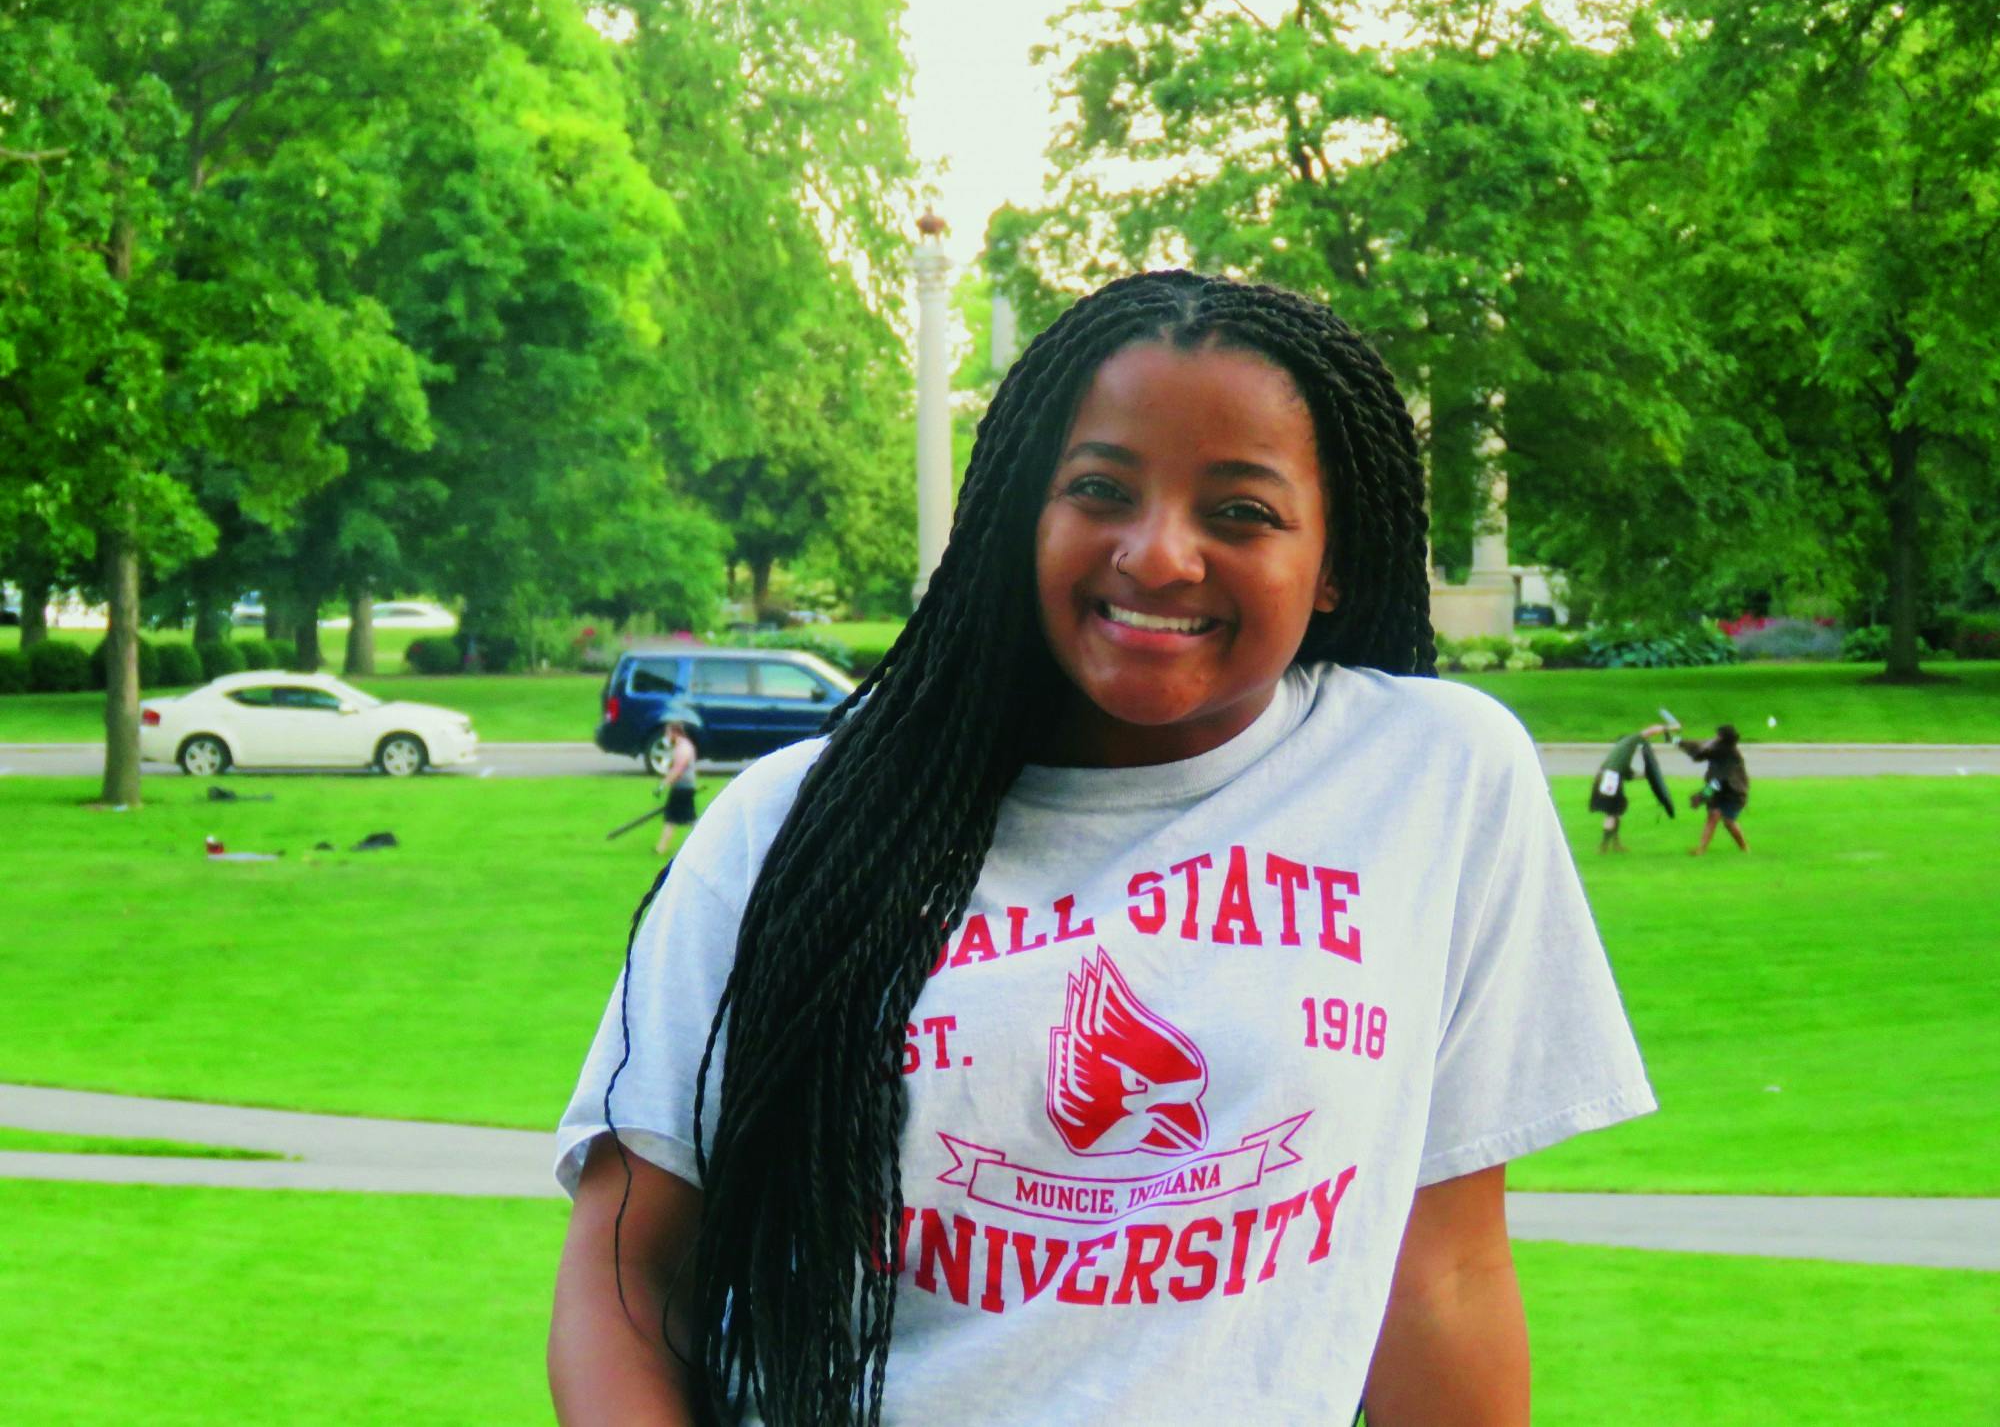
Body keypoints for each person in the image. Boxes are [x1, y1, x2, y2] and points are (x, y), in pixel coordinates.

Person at [548, 273, 1655, 1427]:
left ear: (1333, 562)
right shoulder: (791, 827)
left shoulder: (1434, 778)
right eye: (1098, 490)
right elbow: (631, 1269)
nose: (1156, 554)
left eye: (1240, 511)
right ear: (1019, 518)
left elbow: (1442, 1274)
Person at [1588, 721, 1675, 852]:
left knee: (1615, 813)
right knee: (1612, 814)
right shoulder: (1629, 741)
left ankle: (1615, 844)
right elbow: (1650, 731)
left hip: (1603, 778)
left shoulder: (1619, 756)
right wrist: (1668, 728)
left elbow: (1631, 775)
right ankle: (1604, 845)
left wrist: (1649, 774)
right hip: (1611, 780)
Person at [1679, 723, 1750, 855]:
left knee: (1728, 822)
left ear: (1722, 738)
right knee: (1713, 816)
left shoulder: (1729, 754)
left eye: (1718, 735)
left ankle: (1744, 848)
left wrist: (1701, 796)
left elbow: (1718, 782)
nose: (1715, 737)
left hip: (1733, 792)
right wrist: (1678, 741)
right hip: (1719, 791)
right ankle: (1701, 849)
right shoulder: (1720, 748)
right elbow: (1700, 752)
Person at [653, 720, 699, 858]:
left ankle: (661, 848)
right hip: (685, 787)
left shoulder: (683, 748)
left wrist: (662, 785)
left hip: (681, 788)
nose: (666, 736)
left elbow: (677, 769)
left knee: (671, 818)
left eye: (668, 732)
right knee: (685, 819)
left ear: (674, 732)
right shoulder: (683, 746)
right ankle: (661, 847)